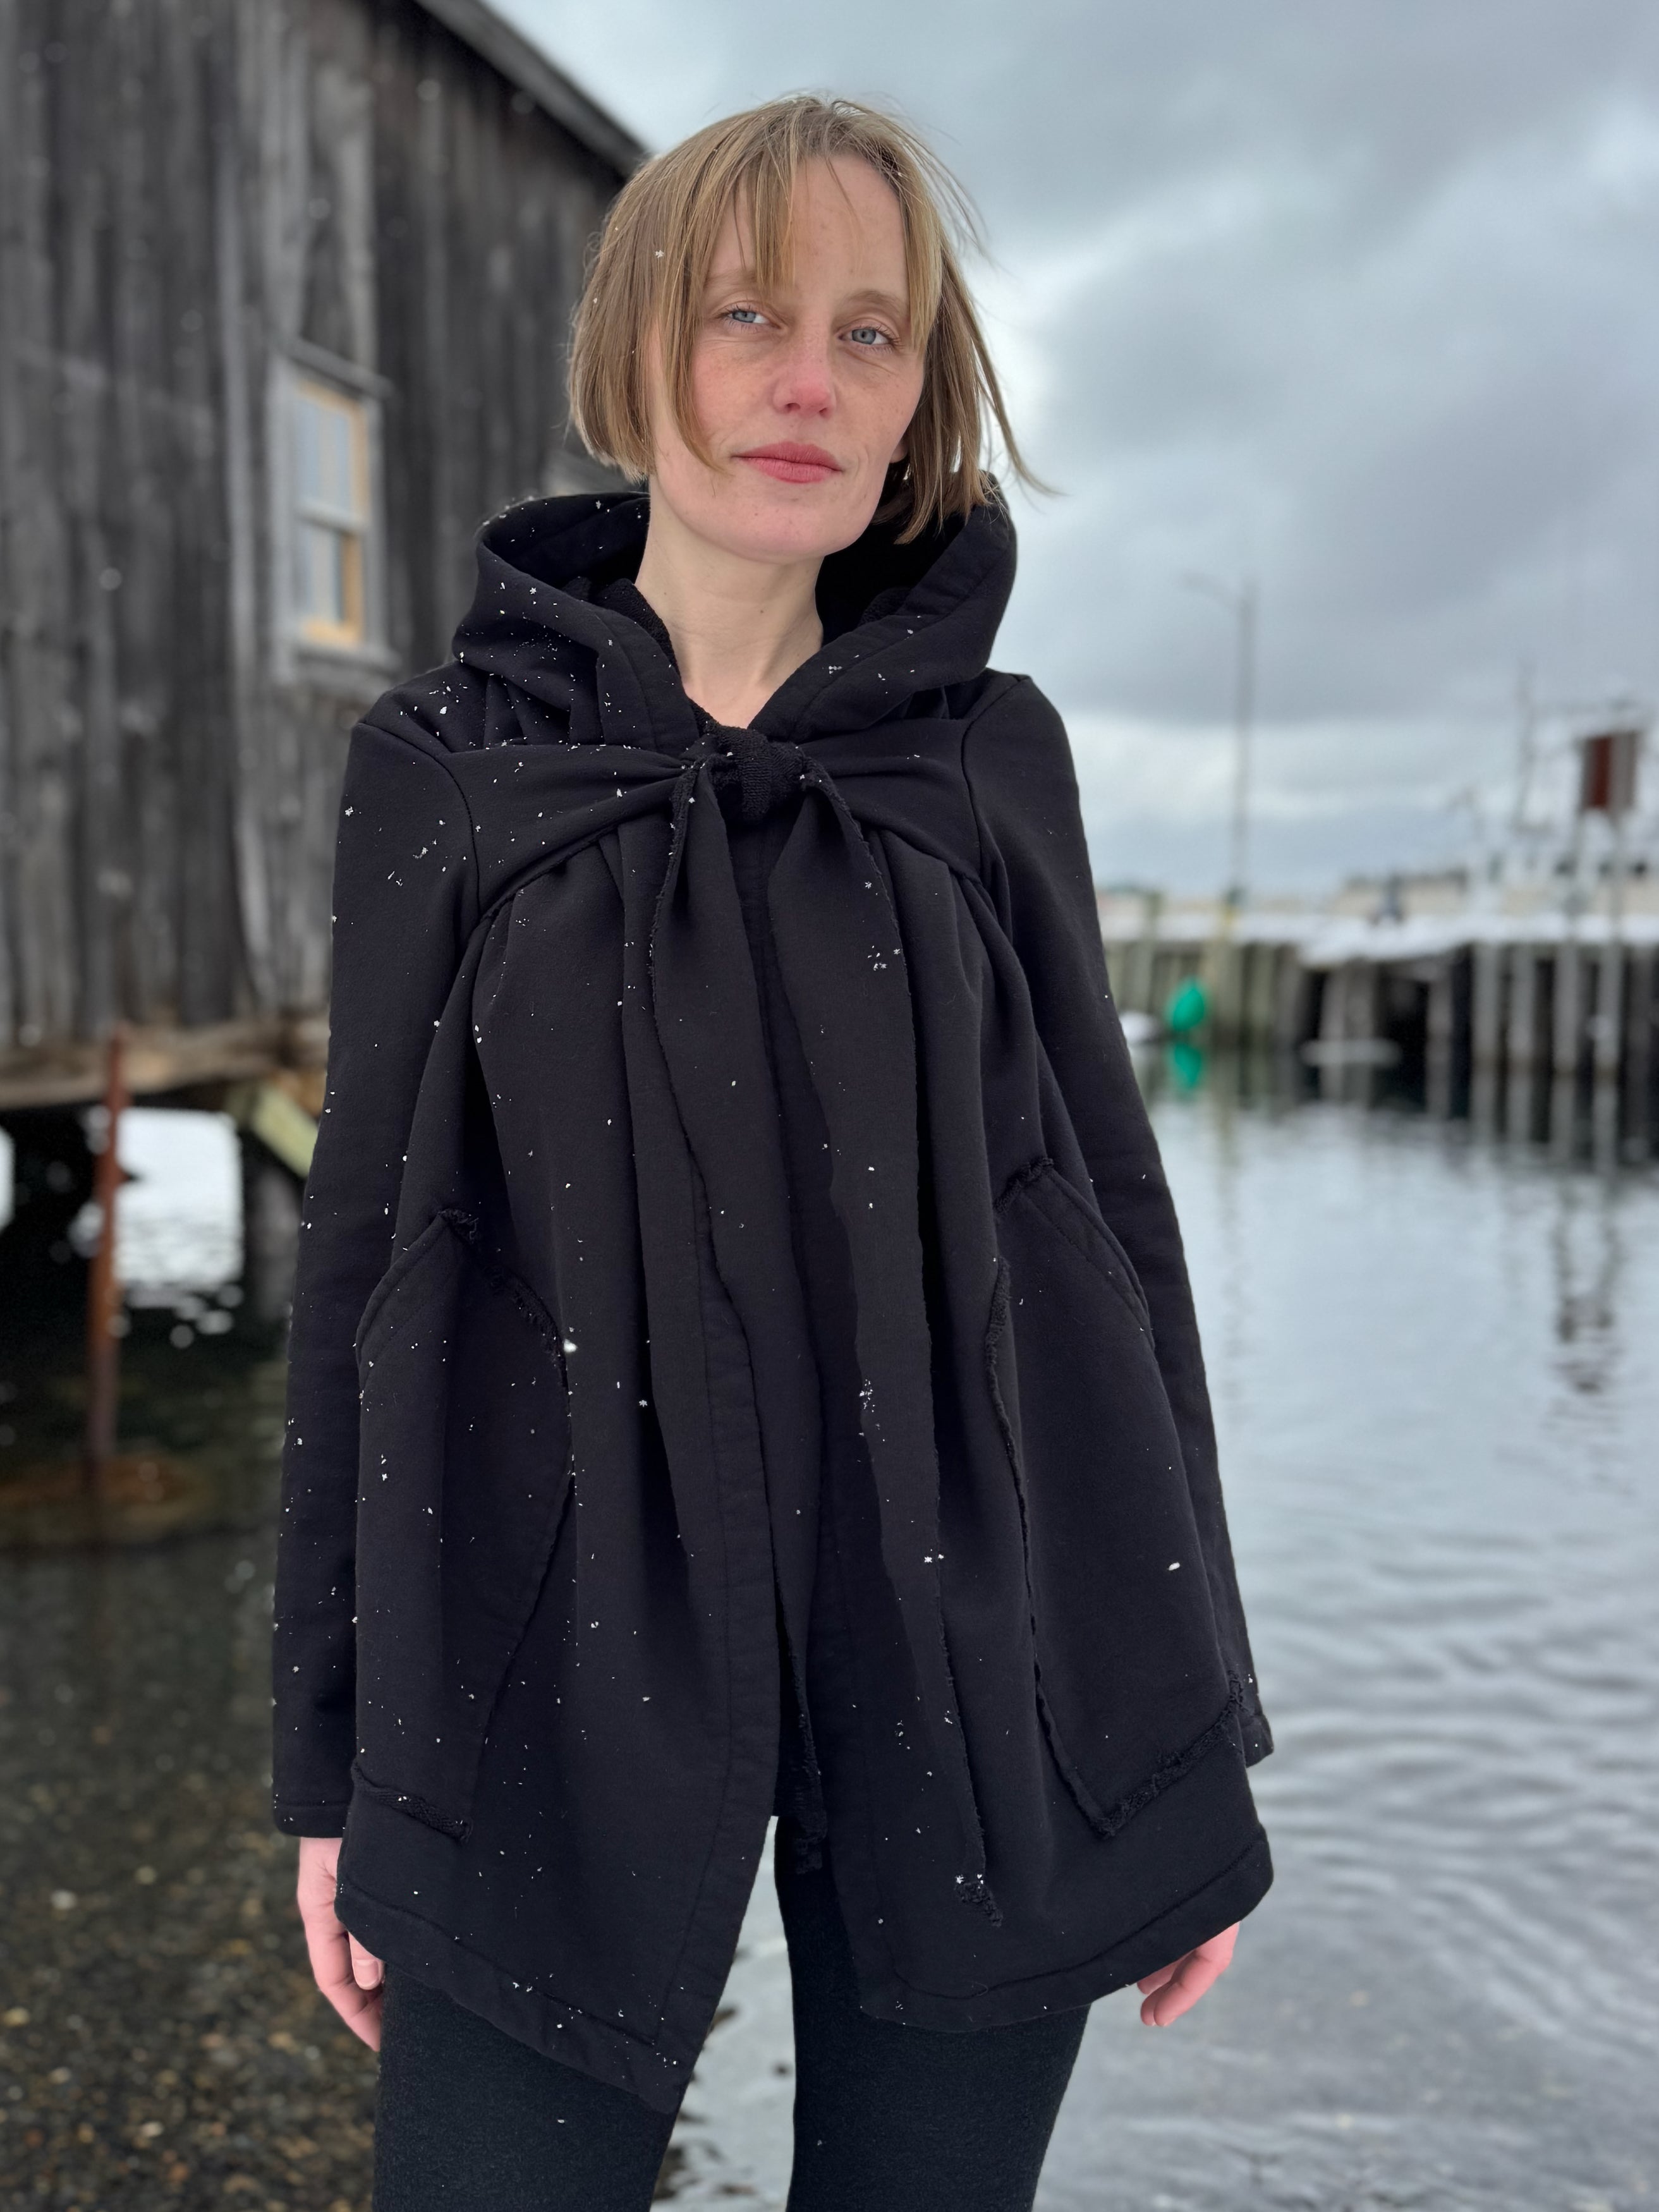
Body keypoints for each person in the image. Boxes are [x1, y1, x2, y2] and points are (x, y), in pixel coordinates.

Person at [273, 95, 1274, 2212]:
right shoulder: (445, 767)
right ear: (636, 350)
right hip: (541, 1643)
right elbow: (367, 1256)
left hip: (967, 1637)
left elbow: (1104, 1229)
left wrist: (1178, 1731)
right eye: (746, 315)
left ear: (919, 399)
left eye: (868, 332)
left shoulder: (985, 758)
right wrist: (330, 1754)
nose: (808, 380)